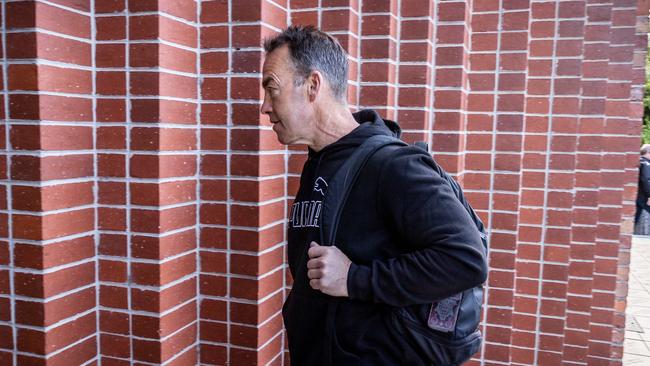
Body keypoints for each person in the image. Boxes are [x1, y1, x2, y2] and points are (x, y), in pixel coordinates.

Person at [261, 25, 488, 365]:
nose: (265, 107)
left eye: (272, 89)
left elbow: (465, 259)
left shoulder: (393, 166)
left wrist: (355, 279)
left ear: (312, 86)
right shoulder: (320, 162)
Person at [635, 144, 650, 235]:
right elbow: (646, 179)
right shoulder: (646, 163)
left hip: (637, 196)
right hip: (643, 198)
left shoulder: (639, 161)